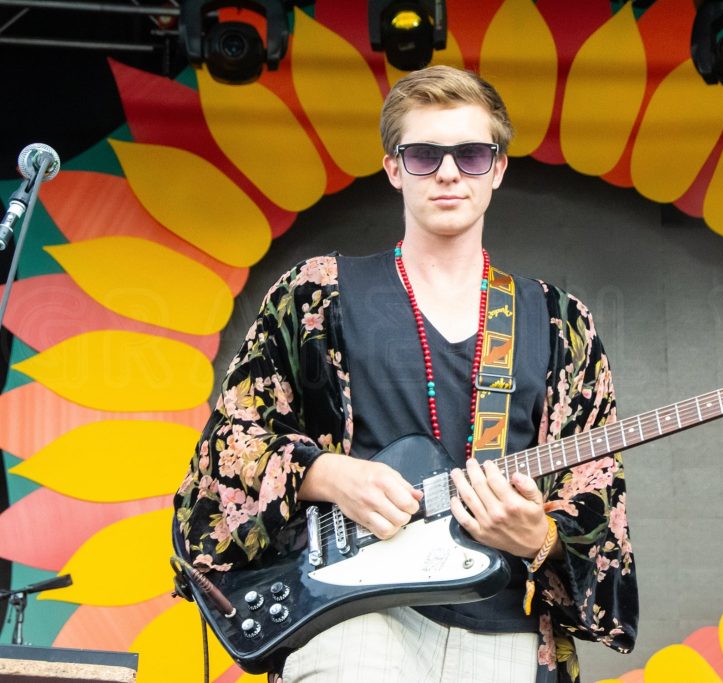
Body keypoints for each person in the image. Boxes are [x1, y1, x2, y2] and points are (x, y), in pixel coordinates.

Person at [173, 65, 638, 683]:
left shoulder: (559, 323)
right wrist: (324, 473)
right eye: (424, 155)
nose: (448, 172)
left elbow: (597, 502)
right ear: (394, 168)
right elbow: (227, 449)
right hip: (355, 616)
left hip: (505, 628)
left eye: (471, 155)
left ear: (498, 169)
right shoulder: (316, 297)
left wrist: (541, 538)